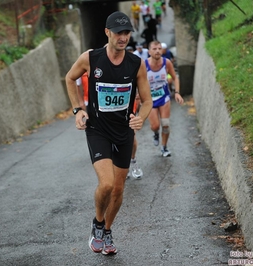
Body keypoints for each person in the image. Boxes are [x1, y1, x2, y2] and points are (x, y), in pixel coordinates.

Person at [65, 11, 152, 255]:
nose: (123, 37)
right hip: (98, 130)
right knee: (107, 184)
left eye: (126, 33)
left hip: (124, 132)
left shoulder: (135, 63)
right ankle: (98, 223)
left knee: (119, 189)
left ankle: (107, 231)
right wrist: (77, 110)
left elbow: (146, 101)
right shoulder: (91, 58)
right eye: (118, 32)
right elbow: (70, 79)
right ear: (107, 32)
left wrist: (140, 118)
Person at [145, 41, 184, 157]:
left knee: (165, 124)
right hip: (149, 100)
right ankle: (156, 133)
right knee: (155, 125)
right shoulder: (143, 65)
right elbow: (137, 81)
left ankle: (164, 147)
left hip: (164, 97)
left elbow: (175, 78)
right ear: (149, 51)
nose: (157, 51)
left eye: (159, 48)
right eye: (154, 48)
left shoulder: (166, 63)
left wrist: (177, 93)